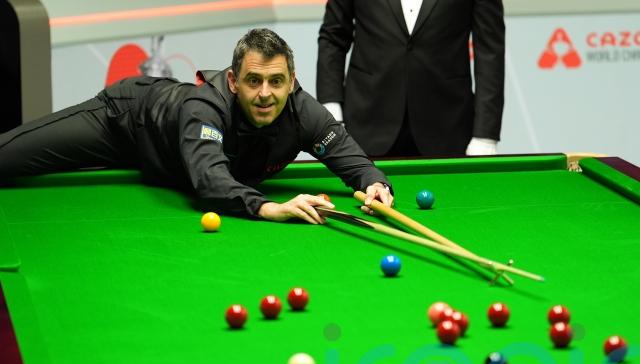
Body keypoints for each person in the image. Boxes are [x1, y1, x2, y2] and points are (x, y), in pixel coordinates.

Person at [0, 28, 393, 224]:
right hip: (123, 124)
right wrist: (270, 207)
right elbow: (210, 180)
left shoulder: (304, 113)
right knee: (7, 155)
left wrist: (374, 183)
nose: (265, 94)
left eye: (276, 82)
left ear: (291, 82)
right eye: (253, 81)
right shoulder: (205, 107)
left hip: (167, 156)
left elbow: (353, 161)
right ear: (233, 81)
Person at [316, 0, 505, 157]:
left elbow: (490, 52)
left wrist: (485, 136)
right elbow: (333, 37)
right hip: (364, 126)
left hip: (448, 129)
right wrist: (331, 112)